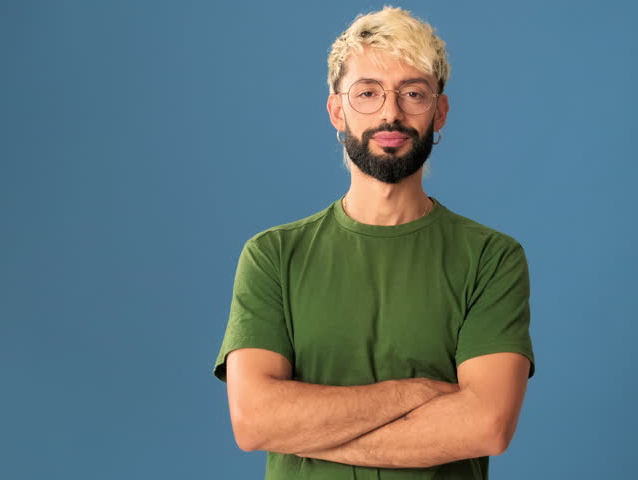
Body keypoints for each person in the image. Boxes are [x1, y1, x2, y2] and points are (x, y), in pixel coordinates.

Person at [213, 6, 535, 479]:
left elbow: (486, 425)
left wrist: (310, 434)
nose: (391, 112)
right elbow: (253, 420)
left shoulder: (490, 258)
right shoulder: (273, 256)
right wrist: (417, 393)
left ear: (439, 112)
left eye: (413, 93)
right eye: (367, 92)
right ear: (336, 110)